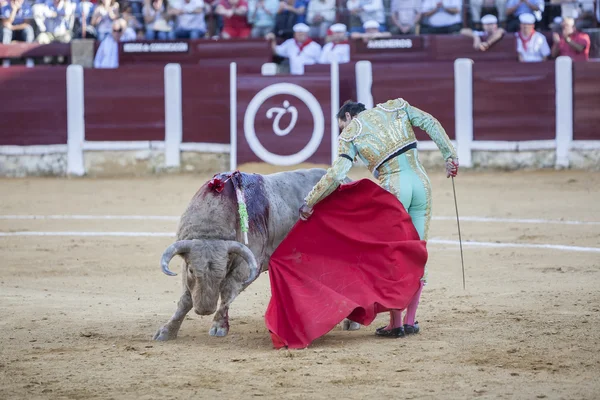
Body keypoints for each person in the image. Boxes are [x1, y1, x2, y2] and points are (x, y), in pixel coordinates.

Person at [300, 98, 459, 338]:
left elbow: (336, 175)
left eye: (341, 125)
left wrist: (311, 200)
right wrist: (450, 156)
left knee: (393, 255)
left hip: (395, 188)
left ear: (348, 117)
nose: (342, 130)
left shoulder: (352, 131)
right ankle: (411, 320)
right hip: (421, 182)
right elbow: (431, 122)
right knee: (419, 250)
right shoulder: (396, 107)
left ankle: (395, 323)